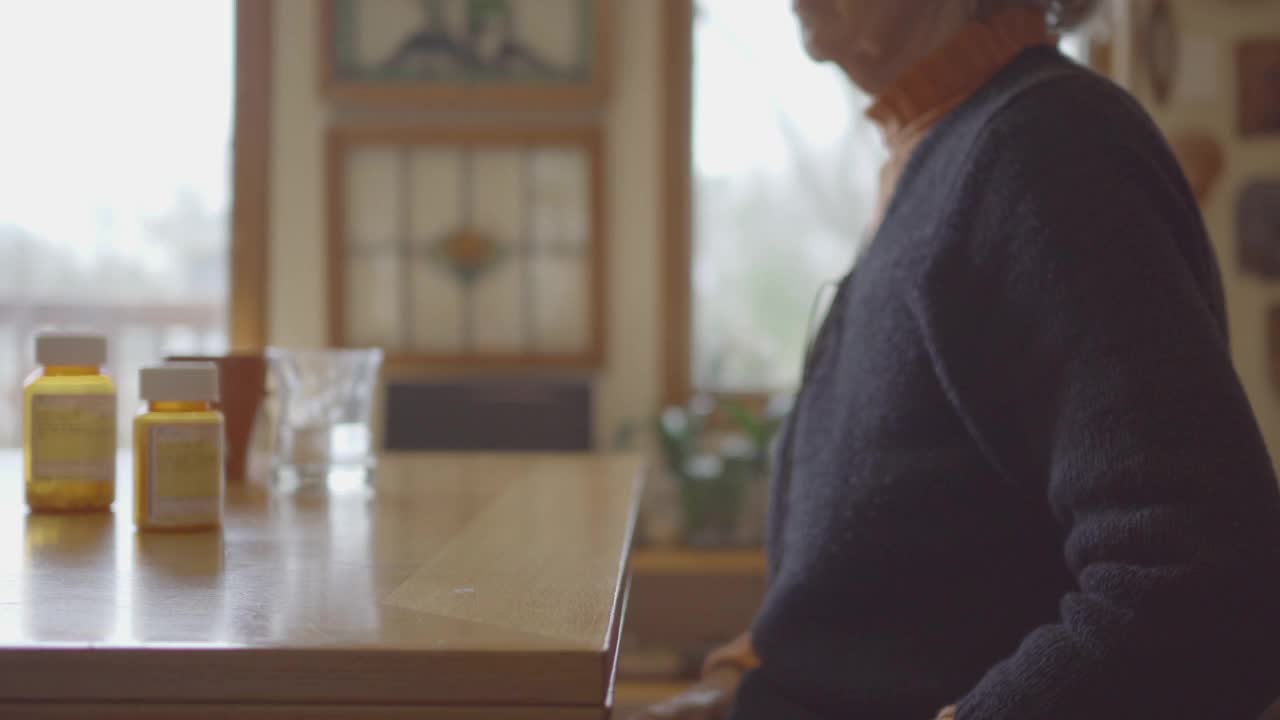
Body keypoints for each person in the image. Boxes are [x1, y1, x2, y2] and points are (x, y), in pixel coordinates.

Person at [631, 1, 1280, 718]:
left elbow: (1204, 587)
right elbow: (901, 563)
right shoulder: (944, 147)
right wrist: (729, 687)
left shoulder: (1048, 150)